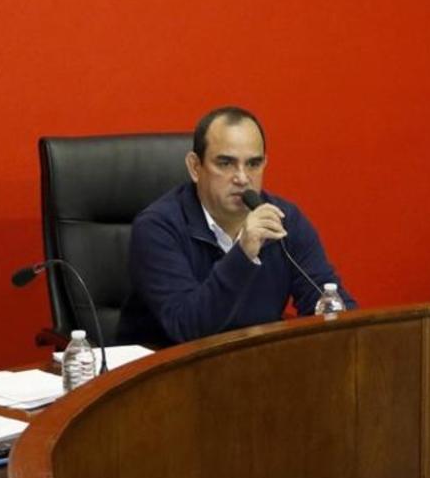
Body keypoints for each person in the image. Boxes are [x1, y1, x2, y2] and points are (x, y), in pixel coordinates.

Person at [117, 106, 356, 346]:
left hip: (255, 360)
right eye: (225, 163)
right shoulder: (157, 228)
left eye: (253, 164)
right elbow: (187, 327)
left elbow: (329, 300)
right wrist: (243, 254)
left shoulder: (284, 220)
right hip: (169, 364)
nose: (242, 178)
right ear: (195, 167)